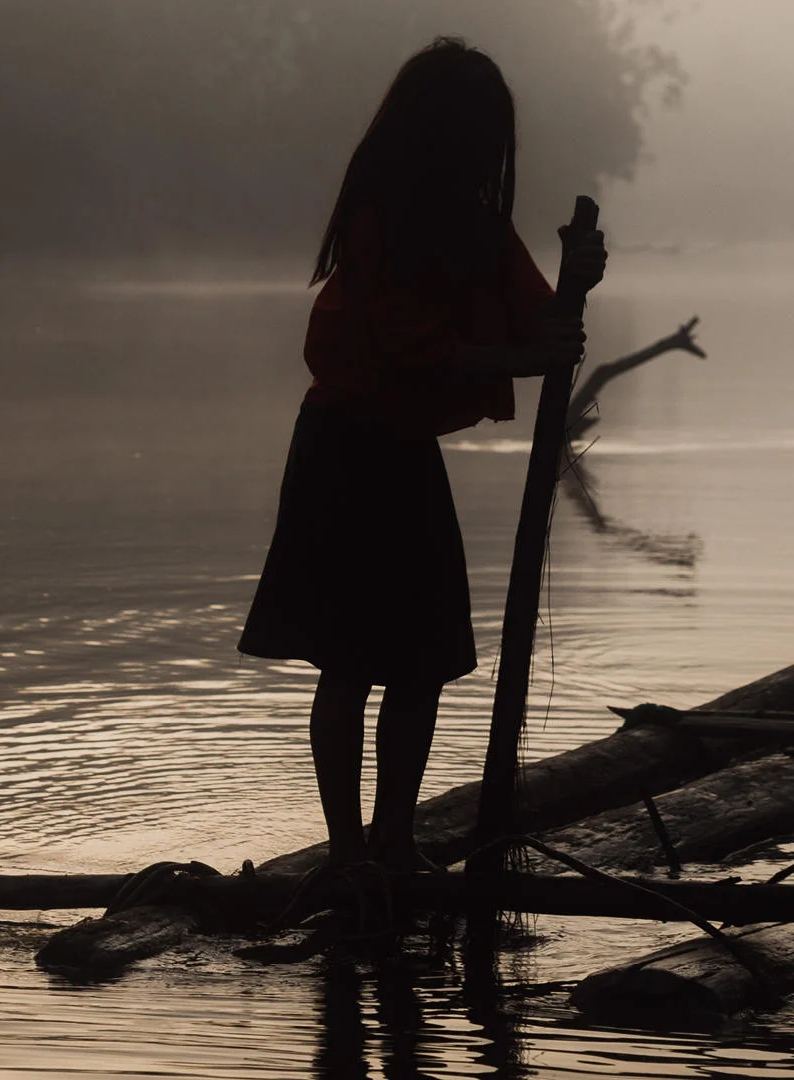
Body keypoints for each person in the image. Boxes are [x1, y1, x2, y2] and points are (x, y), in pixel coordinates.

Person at [238, 37, 608, 871]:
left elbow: (546, 326)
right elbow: (418, 347)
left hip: (404, 455)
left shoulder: (479, 227)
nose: (488, 152)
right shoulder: (381, 220)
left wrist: (579, 277)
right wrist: (528, 357)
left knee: (421, 661)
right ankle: (348, 853)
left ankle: (395, 842)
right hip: (346, 451)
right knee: (349, 662)